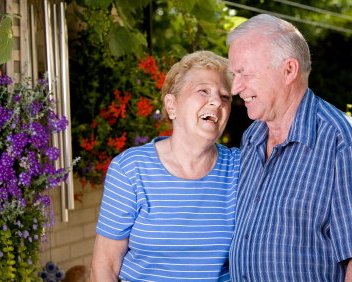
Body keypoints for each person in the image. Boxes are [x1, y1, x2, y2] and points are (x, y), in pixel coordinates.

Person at [227, 14, 352, 282]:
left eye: (245, 73)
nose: (235, 87)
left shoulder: (347, 144)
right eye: (234, 74)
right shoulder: (252, 136)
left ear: (289, 70)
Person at [90, 51, 240, 282]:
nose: (217, 101)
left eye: (225, 97)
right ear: (171, 106)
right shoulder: (130, 169)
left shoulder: (239, 167)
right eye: (203, 91)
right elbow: (105, 266)